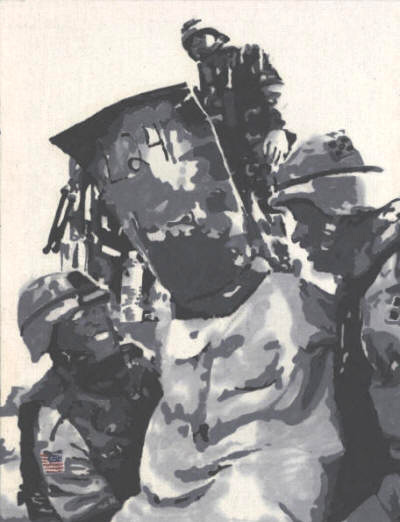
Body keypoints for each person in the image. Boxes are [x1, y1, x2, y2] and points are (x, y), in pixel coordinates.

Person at [17, 271, 162, 522]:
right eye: (78, 316)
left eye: (97, 309)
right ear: (48, 338)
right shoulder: (52, 416)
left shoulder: (142, 370)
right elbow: (89, 512)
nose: (96, 320)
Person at [181, 19, 297, 213]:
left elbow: (274, 90)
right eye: (190, 43)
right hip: (232, 157)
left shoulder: (247, 55)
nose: (195, 44)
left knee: (275, 202)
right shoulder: (204, 79)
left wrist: (278, 129)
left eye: (200, 36)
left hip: (262, 144)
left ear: (217, 35)